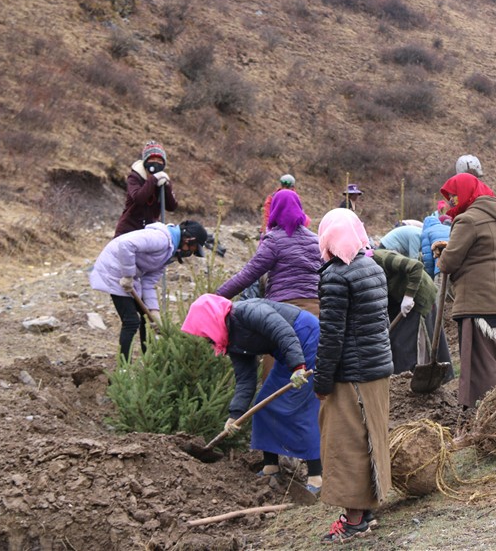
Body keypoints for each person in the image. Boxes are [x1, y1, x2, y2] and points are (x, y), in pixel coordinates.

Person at [180, 294, 322, 494]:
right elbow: (245, 379)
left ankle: (316, 476)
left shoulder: (247, 312)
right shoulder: (230, 341)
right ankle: (271, 467)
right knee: (263, 405)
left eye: (204, 332)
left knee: (299, 409)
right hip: (287, 352)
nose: (205, 338)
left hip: (307, 338)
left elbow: (282, 331)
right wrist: (235, 415)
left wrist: (298, 366)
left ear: (210, 320)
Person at [313, 208, 392, 543]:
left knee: (345, 444)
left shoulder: (336, 276)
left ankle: (353, 520)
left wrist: (321, 381)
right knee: (370, 437)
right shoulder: (373, 267)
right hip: (377, 369)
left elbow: (331, 336)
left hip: (351, 375)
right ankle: (366, 510)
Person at [432, 174, 496, 410]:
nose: (451, 202)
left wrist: (442, 255)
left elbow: (449, 263)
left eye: (454, 196)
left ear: (466, 193)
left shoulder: (468, 220)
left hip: (481, 303)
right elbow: (485, 250)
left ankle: (485, 414)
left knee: (482, 368)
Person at [217, 190, 321, 379]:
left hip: (284, 315)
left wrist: (216, 297)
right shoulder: (316, 240)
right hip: (316, 314)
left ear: (275, 210)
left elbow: (247, 275)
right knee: (313, 376)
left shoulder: (274, 240)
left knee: (276, 377)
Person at [90, 220, 207, 362]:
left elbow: (148, 283)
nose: (191, 252)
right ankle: (123, 369)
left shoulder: (168, 253)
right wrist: (128, 275)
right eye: (193, 248)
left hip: (128, 276)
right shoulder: (161, 239)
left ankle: (149, 362)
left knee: (147, 319)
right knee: (131, 321)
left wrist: (154, 312)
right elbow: (126, 244)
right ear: (188, 239)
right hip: (114, 268)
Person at [371, 249, 452, 377]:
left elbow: (416, 266)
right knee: (395, 339)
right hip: (398, 298)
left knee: (406, 342)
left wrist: (409, 296)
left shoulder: (382, 258)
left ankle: (409, 377)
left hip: (418, 295)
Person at [114, 141, 179, 238]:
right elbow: (139, 198)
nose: (156, 163)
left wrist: (167, 186)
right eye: (152, 159)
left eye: (159, 160)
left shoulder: (162, 179)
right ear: (145, 161)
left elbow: (172, 206)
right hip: (129, 230)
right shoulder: (134, 177)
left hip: (149, 232)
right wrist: (153, 179)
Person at [420, 214, 451, 279]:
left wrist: (431, 276)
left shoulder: (426, 232)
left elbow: (428, 258)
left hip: (440, 267)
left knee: (439, 285)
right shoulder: (449, 228)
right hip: (455, 267)